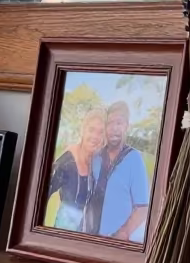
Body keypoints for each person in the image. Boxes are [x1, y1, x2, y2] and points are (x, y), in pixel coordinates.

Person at [90, 101, 149, 242]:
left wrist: (122, 234)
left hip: (117, 242)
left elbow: (142, 208)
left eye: (119, 123)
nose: (114, 128)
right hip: (90, 238)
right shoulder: (96, 157)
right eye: (110, 123)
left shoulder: (134, 159)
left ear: (126, 126)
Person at [48, 109, 106, 232]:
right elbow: (41, 192)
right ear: (83, 131)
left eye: (100, 132)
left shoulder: (100, 164)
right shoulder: (68, 160)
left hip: (88, 237)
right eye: (91, 130)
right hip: (64, 235)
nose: (95, 136)